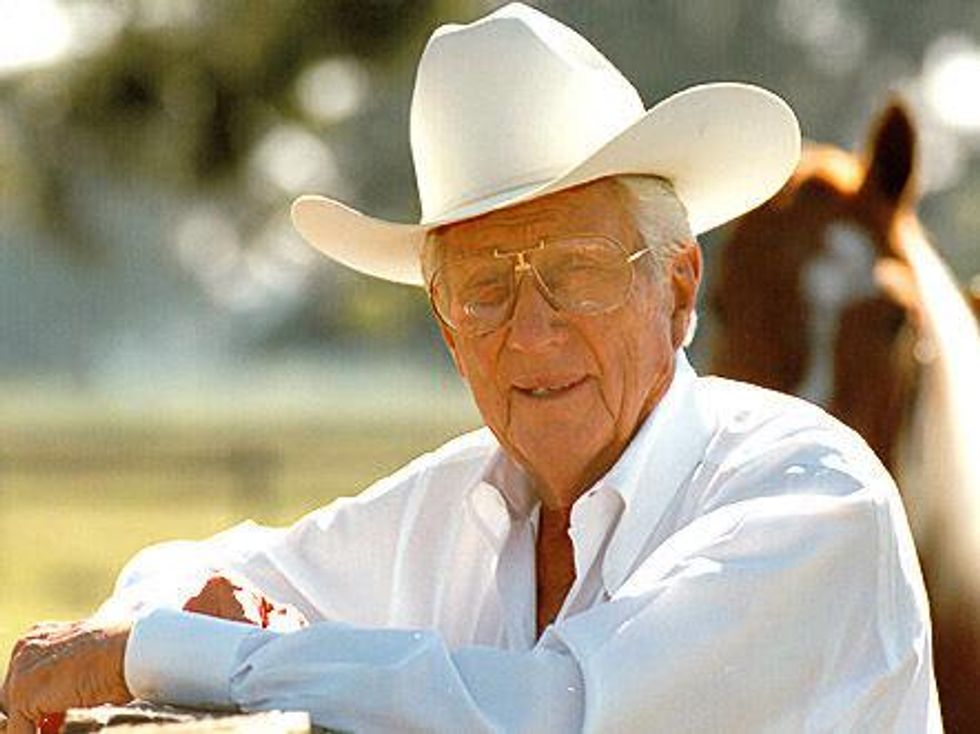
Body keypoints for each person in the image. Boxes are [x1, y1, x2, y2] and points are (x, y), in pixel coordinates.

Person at [1, 4, 939, 732]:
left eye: (577, 272)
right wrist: (178, 620)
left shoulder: (814, 496)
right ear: (448, 330)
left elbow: (560, 713)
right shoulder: (457, 504)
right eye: (486, 291)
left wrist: (179, 654)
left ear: (679, 286)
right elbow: (175, 574)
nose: (531, 334)